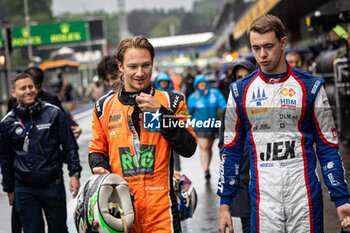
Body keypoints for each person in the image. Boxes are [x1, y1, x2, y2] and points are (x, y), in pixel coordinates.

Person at [217, 14, 350, 233]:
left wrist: (341, 198)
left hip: (304, 199)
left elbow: (328, 148)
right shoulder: (239, 92)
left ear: (283, 43)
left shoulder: (312, 87)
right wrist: (225, 204)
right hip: (263, 203)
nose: (262, 54)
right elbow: (230, 151)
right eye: (256, 47)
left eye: (268, 46)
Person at [88, 35, 197, 233]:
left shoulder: (173, 101)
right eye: (133, 67)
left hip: (162, 212)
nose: (140, 73)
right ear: (120, 66)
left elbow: (189, 148)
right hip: (121, 210)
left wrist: (162, 113)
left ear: (153, 64)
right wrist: (100, 168)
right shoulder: (103, 107)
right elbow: (96, 151)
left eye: (146, 65)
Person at [0, 73, 82, 233]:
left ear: (36, 89)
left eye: (30, 87)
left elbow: (69, 145)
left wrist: (74, 174)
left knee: (59, 230)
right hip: (24, 189)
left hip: (53, 184)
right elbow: (5, 159)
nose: (28, 91)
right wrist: (9, 189)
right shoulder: (7, 123)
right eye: (22, 88)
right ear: (14, 93)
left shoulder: (54, 113)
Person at [218, 60, 255, 233]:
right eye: (238, 78)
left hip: (263, 178)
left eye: (247, 76)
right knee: (247, 224)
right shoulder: (229, 110)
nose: (243, 81)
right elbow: (222, 145)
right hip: (241, 179)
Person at [7, 67, 82, 139]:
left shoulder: (51, 99)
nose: (30, 92)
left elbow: (64, 116)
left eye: (33, 87)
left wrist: (75, 127)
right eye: (24, 88)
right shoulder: (13, 102)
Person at [187, 74, 226, 180]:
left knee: (209, 147)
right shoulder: (193, 97)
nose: (202, 85)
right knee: (204, 147)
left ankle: (207, 167)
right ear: (196, 85)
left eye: (203, 83)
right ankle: (205, 170)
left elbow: (223, 106)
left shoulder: (215, 93)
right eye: (199, 83)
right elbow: (188, 113)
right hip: (200, 127)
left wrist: (227, 115)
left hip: (213, 125)